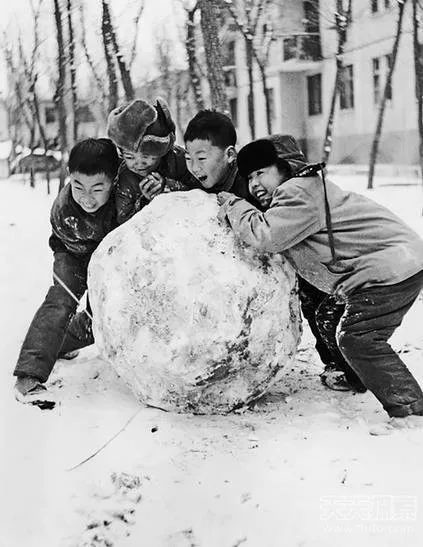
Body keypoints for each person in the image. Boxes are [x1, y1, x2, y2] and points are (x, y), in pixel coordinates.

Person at [217, 135, 423, 420]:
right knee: (330, 315)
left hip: (388, 268)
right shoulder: (301, 193)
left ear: (285, 167)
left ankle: (410, 411)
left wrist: (234, 205)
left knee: (358, 338)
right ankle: (355, 376)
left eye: (261, 172)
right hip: (393, 262)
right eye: (249, 177)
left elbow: (266, 235)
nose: (254, 184)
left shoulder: (297, 192)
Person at [14, 138, 120, 405]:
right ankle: (29, 373)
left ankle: (54, 345)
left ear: (114, 181)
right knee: (62, 301)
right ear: (69, 178)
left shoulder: (125, 195)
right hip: (72, 252)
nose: (86, 197)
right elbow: (81, 258)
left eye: (98, 188)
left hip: (109, 257)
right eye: (78, 186)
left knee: (99, 320)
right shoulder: (64, 211)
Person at [107, 97, 200, 225]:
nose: (139, 164)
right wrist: (145, 200)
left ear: (162, 152)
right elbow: (124, 220)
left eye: (146, 156)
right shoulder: (126, 177)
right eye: (129, 157)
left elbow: (200, 194)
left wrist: (167, 186)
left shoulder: (179, 160)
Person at [183, 109, 253, 201]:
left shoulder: (251, 186)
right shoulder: (197, 177)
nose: (194, 168)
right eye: (188, 158)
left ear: (230, 155)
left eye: (201, 158)